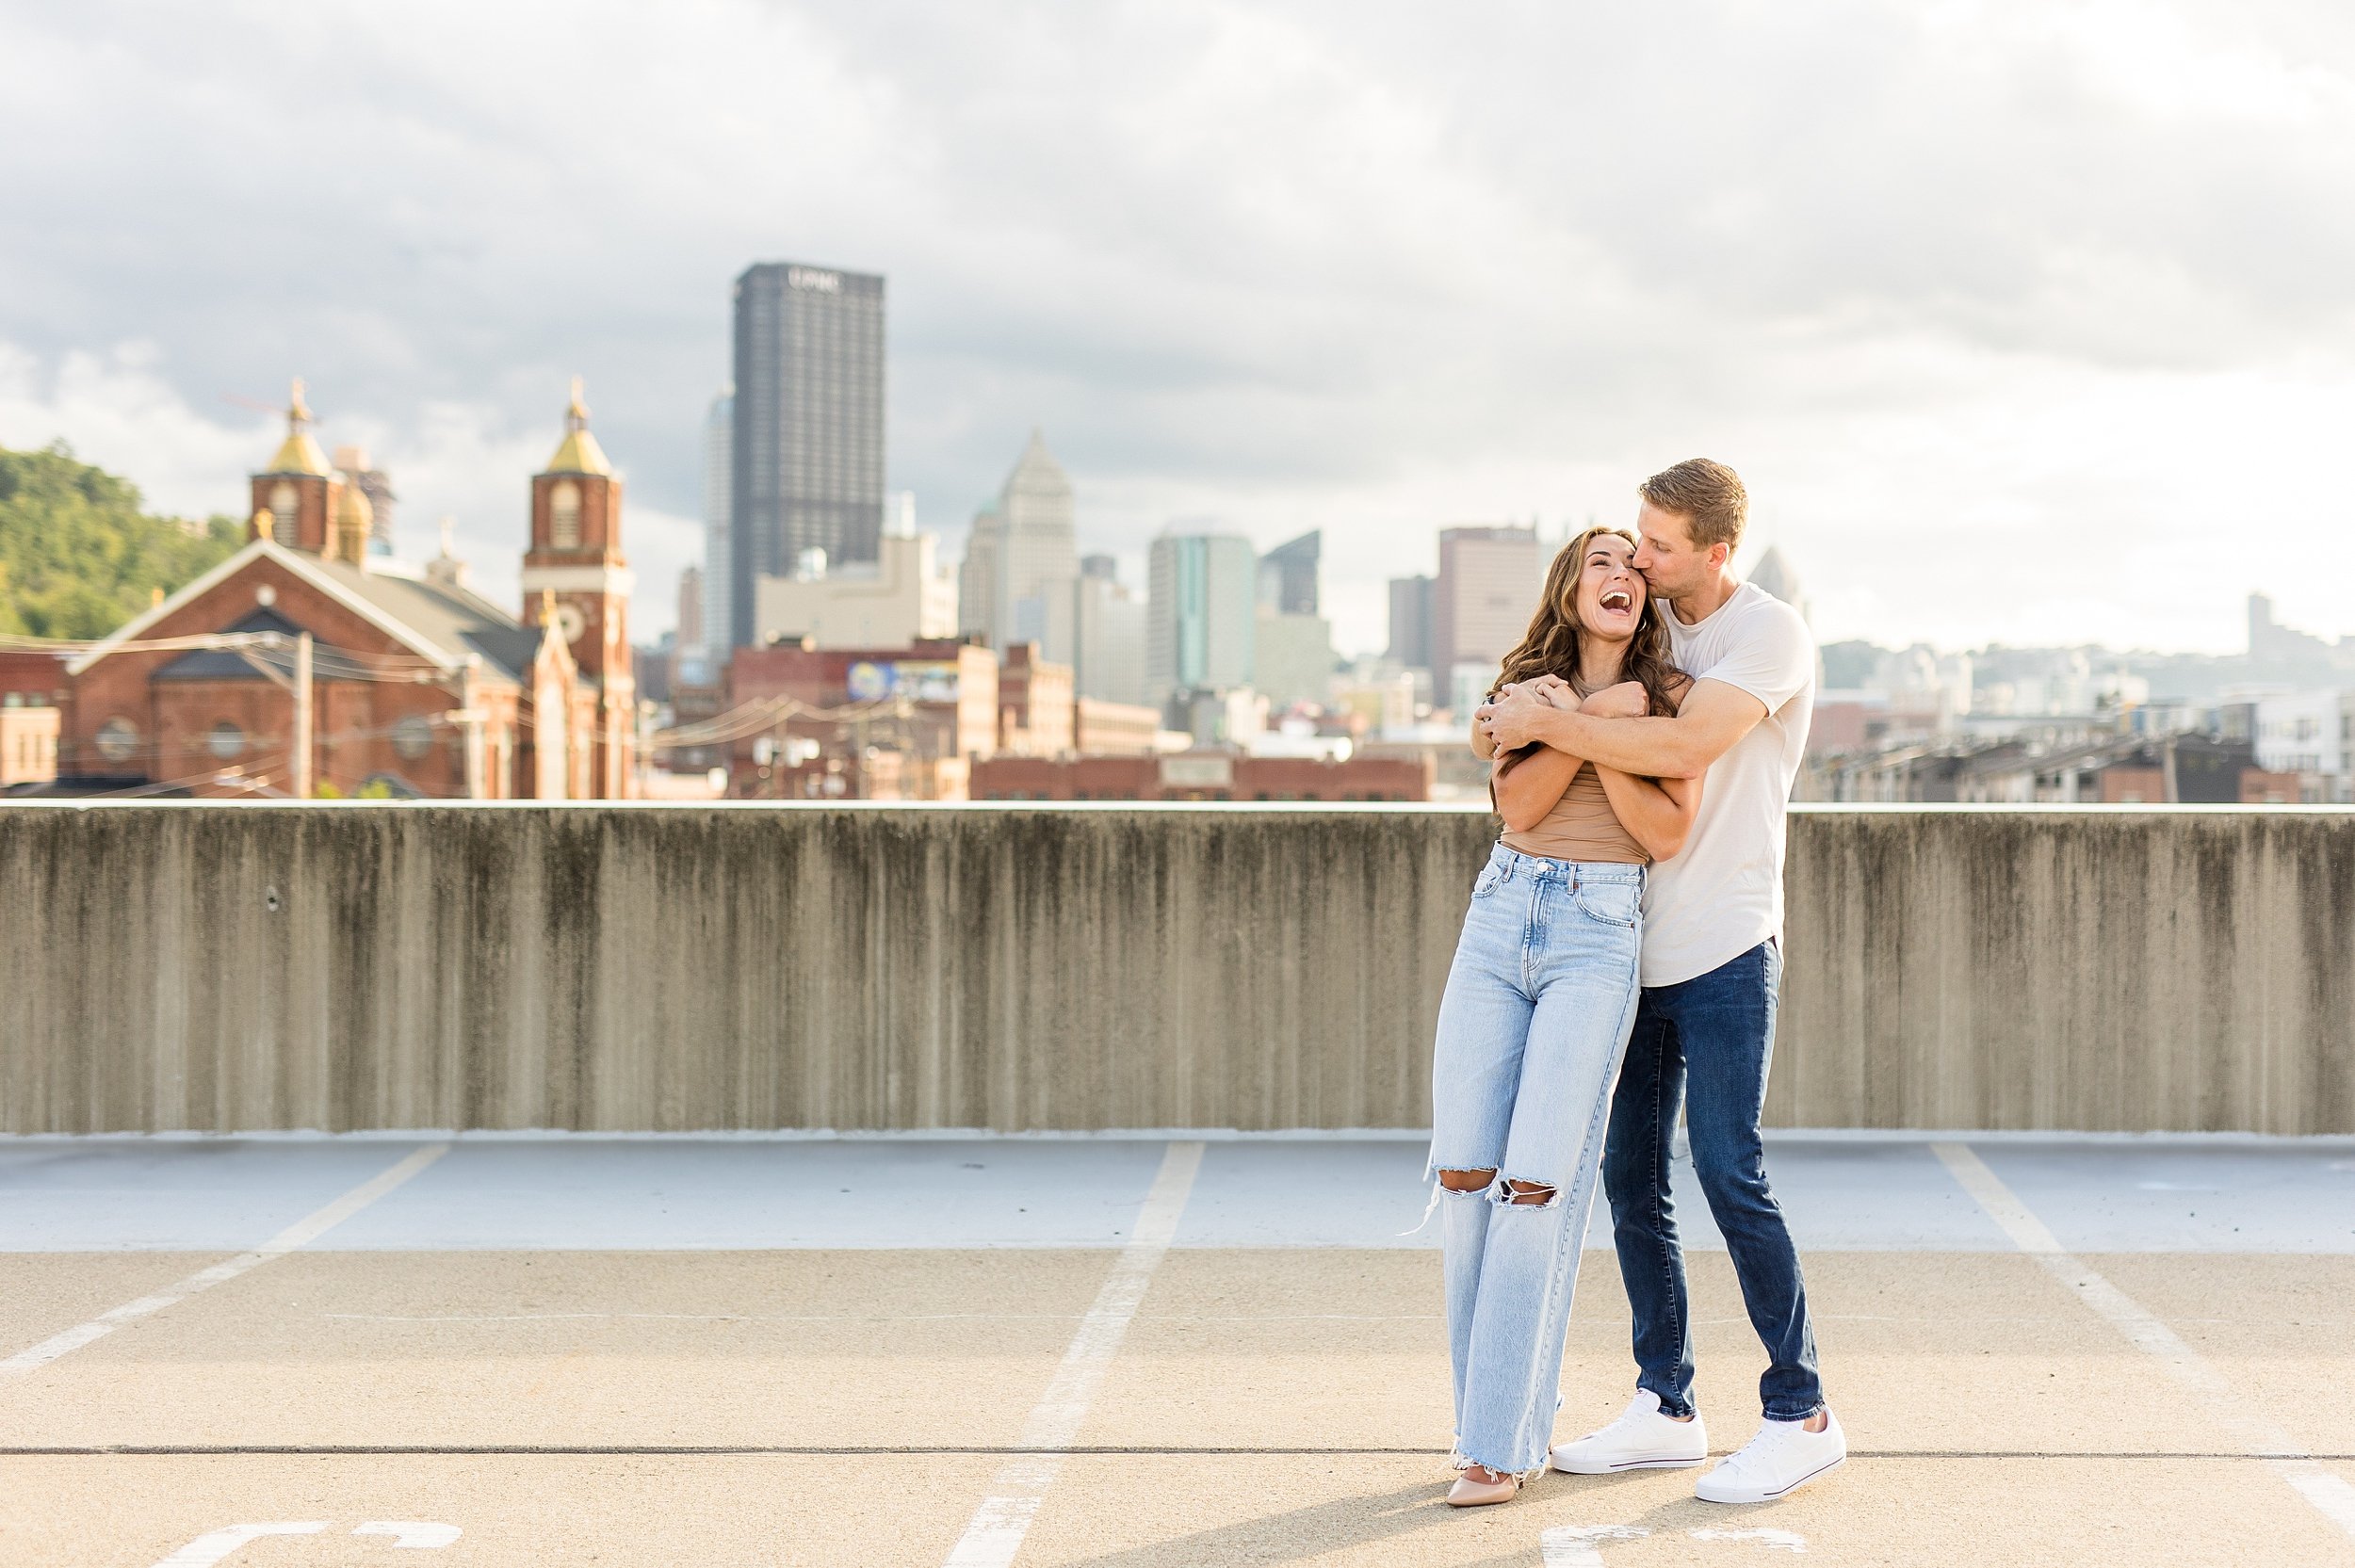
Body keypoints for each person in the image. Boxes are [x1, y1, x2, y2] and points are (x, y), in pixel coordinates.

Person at [1479, 459, 1843, 1506]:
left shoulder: (1765, 633)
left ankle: (1801, 1411)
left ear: (1716, 552)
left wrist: (1550, 723)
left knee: (1730, 1172)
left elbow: (1683, 740)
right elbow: (1521, 706)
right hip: (1623, 941)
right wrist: (1526, 715)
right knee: (1632, 1182)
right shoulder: (1646, 622)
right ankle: (1665, 1404)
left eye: (1662, 547)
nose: (1639, 560)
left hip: (1727, 942)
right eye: (1635, 539)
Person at [1432, 525, 1701, 1508]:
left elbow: (1664, 831)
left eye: (1635, 563)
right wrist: (1602, 715)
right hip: (1501, 915)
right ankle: (1483, 1422)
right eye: (1601, 558)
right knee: (1466, 1174)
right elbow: (1523, 805)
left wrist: (1593, 723)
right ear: (1568, 584)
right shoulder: (1525, 690)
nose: (1621, 572)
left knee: (1537, 1185)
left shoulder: (1666, 699)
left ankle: (1496, 1446)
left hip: (1598, 931)